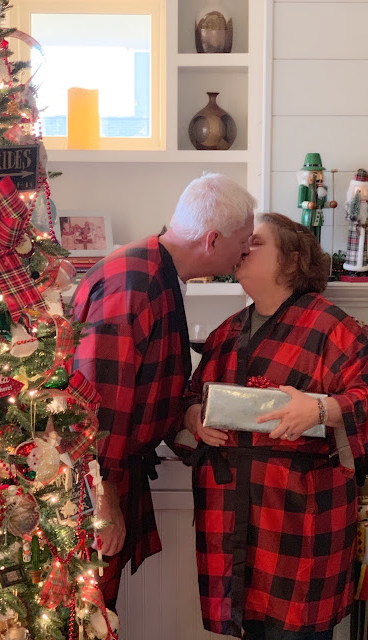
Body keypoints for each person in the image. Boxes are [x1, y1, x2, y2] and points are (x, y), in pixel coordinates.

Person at [70, 173, 256, 610]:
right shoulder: (134, 284)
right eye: (243, 240)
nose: (245, 251)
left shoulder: (158, 273)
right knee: (87, 613)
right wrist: (105, 502)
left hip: (110, 476)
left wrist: (184, 414)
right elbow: (97, 407)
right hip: (94, 486)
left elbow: (149, 381)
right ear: (212, 240)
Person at [183, 213, 368, 640]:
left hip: (300, 519)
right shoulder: (225, 333)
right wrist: (193, 416)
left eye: (258, 241)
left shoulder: (333, 327)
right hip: (232, 514)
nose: (244, 246)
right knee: (248, 625)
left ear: (292, 260)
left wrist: (323, 411)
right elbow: (191, 395)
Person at [297, 152, 336, 243]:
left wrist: (330, 204)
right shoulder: (304, 188)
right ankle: (308, 253)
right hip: (308, 217)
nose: (319, 177)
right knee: (307, 236)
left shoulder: (323, 188)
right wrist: (308, 204)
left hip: (318, 217)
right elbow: (300, 203)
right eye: (315, 173)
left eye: (320, 173)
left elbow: (323, 203)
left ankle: (317, 252)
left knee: (317, 237)